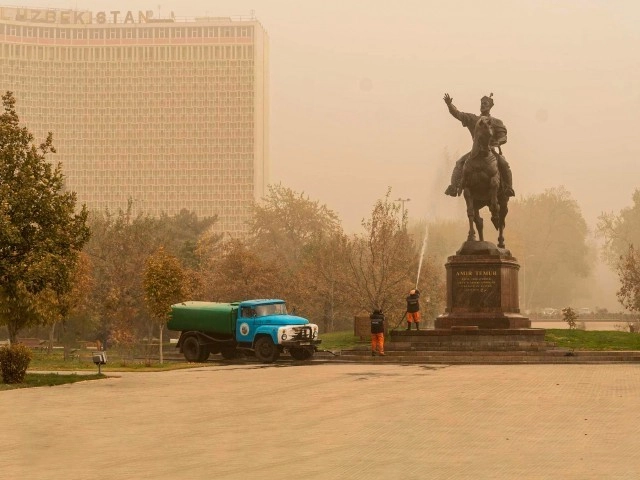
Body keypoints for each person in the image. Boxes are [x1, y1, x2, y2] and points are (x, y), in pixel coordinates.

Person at [443, 92, 514, 198]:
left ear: (490, 106)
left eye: (485, 103)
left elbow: (504, 137)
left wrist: (497, 142)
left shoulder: (496, 122)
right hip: (475, 152)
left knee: (504, 164)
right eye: (482, 103)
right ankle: (454, 187)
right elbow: (458, 114)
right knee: (459, 163)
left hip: (491, 152)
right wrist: (449, 105)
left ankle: (508, 188)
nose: (483, 105)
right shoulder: (473, 119)